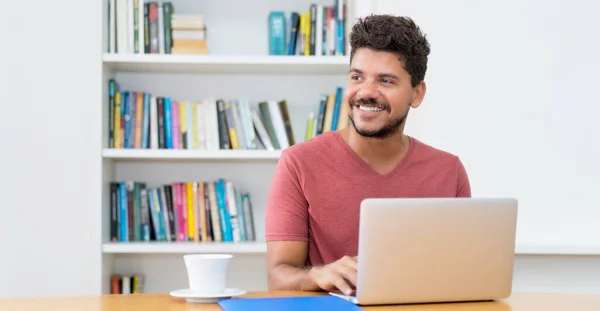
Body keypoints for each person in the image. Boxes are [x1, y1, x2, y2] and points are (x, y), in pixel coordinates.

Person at [264, 14, 471, 296]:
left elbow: (462, 273)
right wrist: (321, 274)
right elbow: (279, 276)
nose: (366, 92)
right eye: (357, 77)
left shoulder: (449, 171)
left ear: (417, 94)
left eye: (385, 81)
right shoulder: (298, 163)